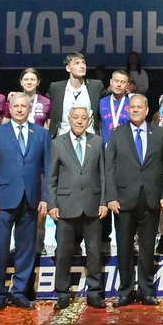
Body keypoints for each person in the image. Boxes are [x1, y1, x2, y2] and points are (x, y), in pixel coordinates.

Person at [0, 95, 48, 309]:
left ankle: (19, 291)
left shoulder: (41, 134)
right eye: (16, 106)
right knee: (0, 248)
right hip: (2, 201)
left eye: (23, 106)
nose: (19, 110)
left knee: (26, 249)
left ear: (30, 109)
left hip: (31, 199)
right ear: (9, 109)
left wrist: (45, 198)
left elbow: (48, 171)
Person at [104, 92, 163, 305]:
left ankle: (146, 290)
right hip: (123, 200)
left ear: (147, 110)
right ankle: (125, 291)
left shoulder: (159, 134)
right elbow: (109, 168)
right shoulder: (117, 134)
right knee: (123, 247)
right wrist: (111, 196)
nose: (135, 110)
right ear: (128, 110)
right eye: (132, 107)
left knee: (147, 248)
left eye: (139, 107)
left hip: (151, 198)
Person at [48, 103, 108, 309]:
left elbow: (103, 175)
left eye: (83, 118)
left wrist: (103, 201)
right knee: (63, 252)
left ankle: (95, 292)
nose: (80, 121)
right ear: (69, 120)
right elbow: (51, 178)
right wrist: (52, 204)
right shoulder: (57, 143)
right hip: (65, 205)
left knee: (94, 251)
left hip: (92, 205)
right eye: (76, 118)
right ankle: (63, 293)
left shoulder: (97, 141)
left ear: (89, 121)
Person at [46, 53, 98, 134]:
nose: (82, 66)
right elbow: (45, 107)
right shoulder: (56, 88)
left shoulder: (95, 86)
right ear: (68, 68)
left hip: (89, 138)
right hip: (63, 137)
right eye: (77, 63)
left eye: (83, 63)